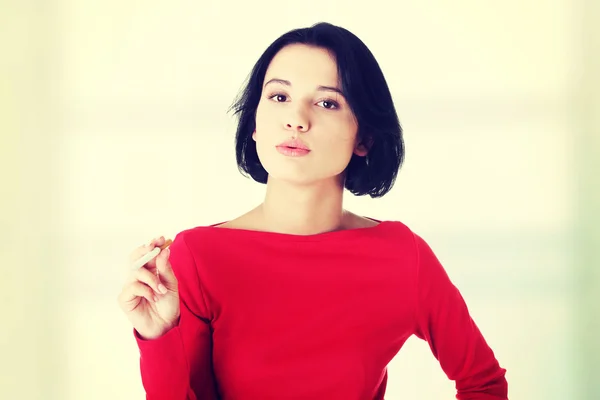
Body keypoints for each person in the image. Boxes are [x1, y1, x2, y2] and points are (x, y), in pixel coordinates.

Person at [118, 22, 508, 400]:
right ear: (255, 122)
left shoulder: (404, 256)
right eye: (279, 97)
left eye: (327, 102)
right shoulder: (197, 256)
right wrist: (158, 336)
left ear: (364, 138)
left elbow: (483, 384)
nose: (296, 119)